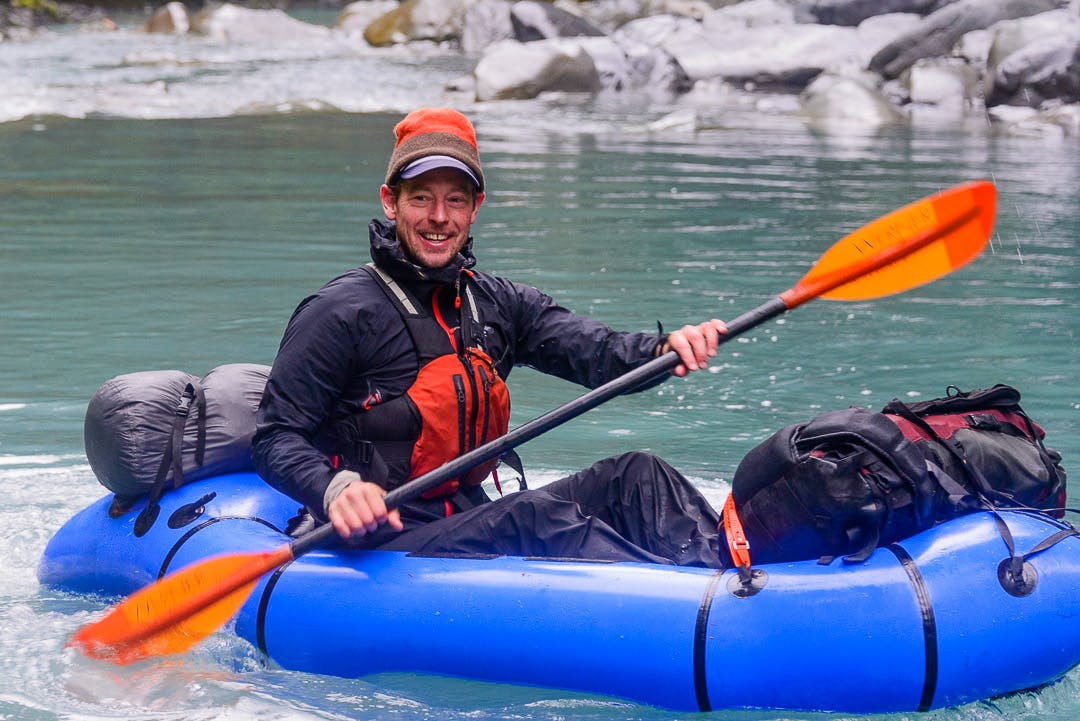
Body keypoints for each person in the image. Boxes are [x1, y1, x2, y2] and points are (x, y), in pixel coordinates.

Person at [253, 107, 733, 568]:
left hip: (468, 515)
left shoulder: (499, 304)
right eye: (421, 197)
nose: (439, 216)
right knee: (532, 517)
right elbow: (275, 437)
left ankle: (736, 570)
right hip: (385, 541)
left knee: (637, 476)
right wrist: (336, 488)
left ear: (474, 208)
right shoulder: (340, 311)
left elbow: (601, 354)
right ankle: (692, 606)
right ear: (390, 200)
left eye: (455, 199)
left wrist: (664, 350)